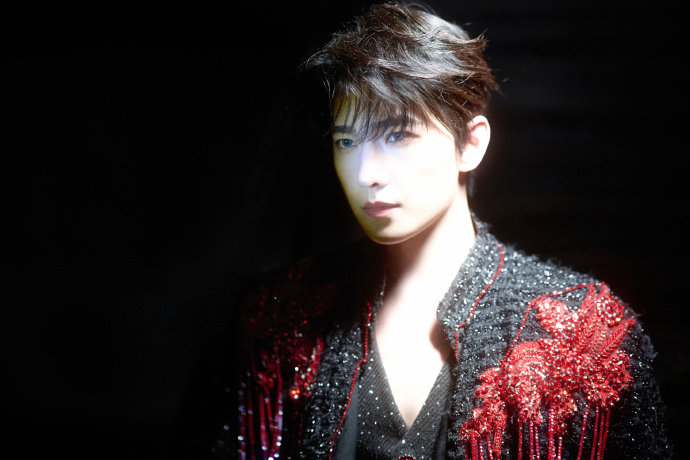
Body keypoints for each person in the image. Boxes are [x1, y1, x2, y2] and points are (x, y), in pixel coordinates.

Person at [197, 2, 672, 459]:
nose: (367, 173)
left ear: (470, 144)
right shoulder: (276, 313)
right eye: (347, 141)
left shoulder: (586, 330)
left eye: (398, 134)